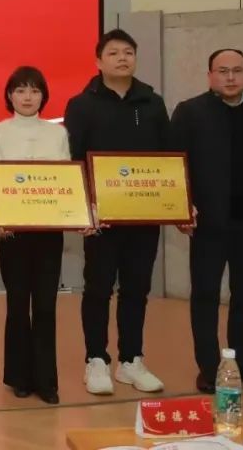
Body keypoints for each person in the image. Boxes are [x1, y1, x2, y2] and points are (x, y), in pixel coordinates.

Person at [170, 49, 243, 394]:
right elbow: (174, 164)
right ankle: (209, 368)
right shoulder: (190, 111)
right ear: (210, 75)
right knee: (206, 295)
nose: (231, 77)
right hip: (208, 222)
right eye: (223, 71)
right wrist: (181, 209)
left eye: (237, 70)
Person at [63, 28, 169, 396]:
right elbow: (73, 159)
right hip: (100, 218)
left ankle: (131, 360)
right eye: (113, 53)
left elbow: (169, 157)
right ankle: (96, 359)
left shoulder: (153, 103)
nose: (122, 58)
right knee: (98, 288)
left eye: (128, 52)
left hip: (144, 214)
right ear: (98, 61)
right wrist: (83, 209)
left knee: (137, 288)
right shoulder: (82, 105)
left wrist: (177, 200)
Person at [0, 66, 70, 406]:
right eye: (20, 90)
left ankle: (46, 380)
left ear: (43, 96)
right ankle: (19, 377)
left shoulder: (58, 133)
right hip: (13, 233)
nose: (28, 97)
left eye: (34, 90)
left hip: (49, 232)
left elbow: (66, 181)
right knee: (17, 305)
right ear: (9, 95)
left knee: (46, 305)